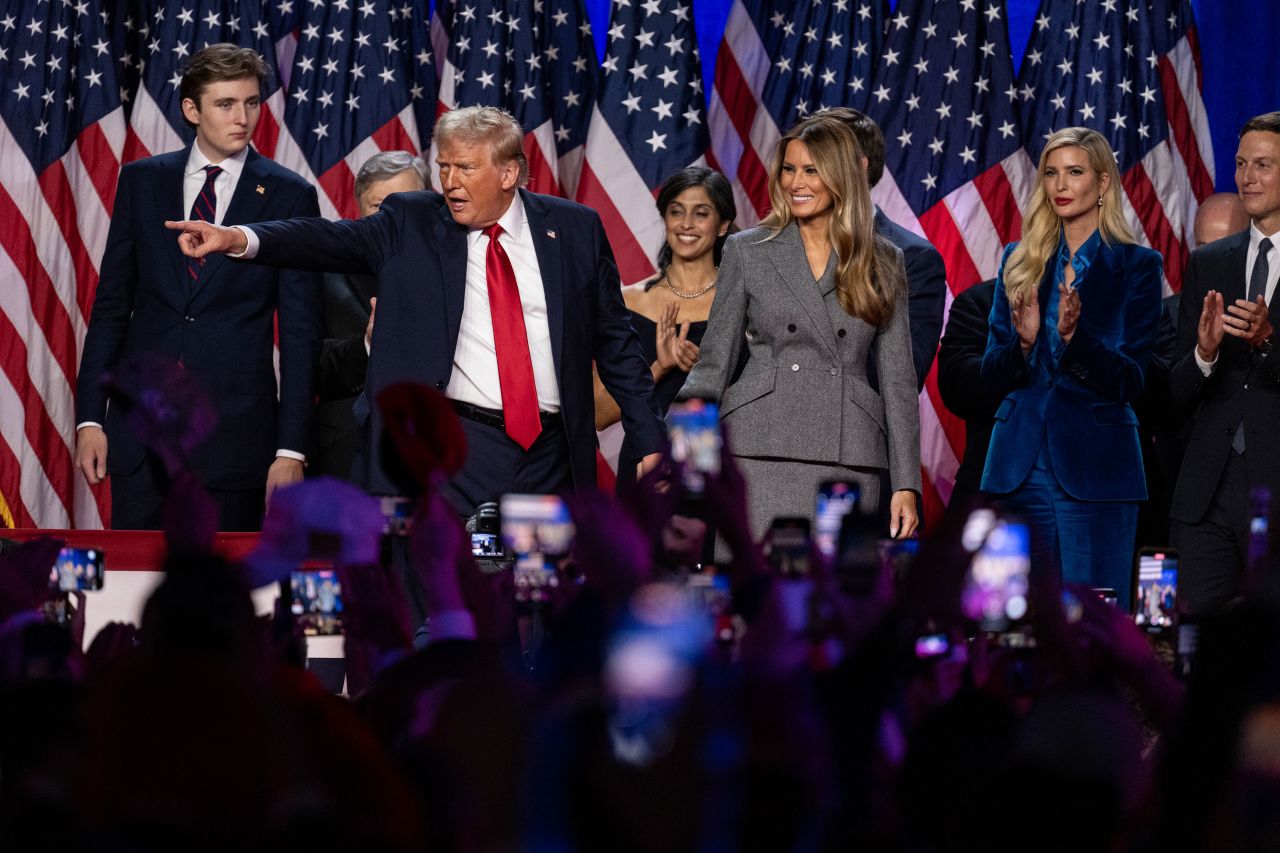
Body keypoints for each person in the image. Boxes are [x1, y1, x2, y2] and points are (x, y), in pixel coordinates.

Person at [167, 105, 664, 516]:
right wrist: (237, 238)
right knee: (455, 602)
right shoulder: (412, 219)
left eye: (465, 168)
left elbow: (616, 345)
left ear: (509, 172)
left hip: (552, 454)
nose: (449, 182)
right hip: (458, 452)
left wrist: (648, 436)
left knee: (542, 606)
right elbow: (327, 238)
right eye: (443, 166)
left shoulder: (575, 229)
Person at [75, 44, 321, 531]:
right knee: (135, 594)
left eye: (251, 102)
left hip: (235, 445)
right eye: (226, 104)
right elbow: (110, 309)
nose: (243, 117)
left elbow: (300, 335)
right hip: (140, 439)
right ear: (192, 109)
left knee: (224, 601)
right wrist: (91, 420)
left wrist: (291, 449)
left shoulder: (290, 194)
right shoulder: (142, 182)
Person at [677, 116, 920, 541]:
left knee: (831, 601)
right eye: (789, 169)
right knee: (753, 598)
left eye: (811, 170)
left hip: (849, 451)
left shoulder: (883, 260)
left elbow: (899, 382)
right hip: (757, 445)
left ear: (841, 175)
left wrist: (906, 483)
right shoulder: (747, 250)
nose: (796, 182)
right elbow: (712, 366)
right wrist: (685, 463)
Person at [981, 127, 1163, 609]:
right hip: (1018, 466)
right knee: (1016, 623)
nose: (1061, 184)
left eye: (1075, 173)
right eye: (1051, 173)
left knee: (1092, 623)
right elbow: (989, 378)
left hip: (1098, 467)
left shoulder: (1138, 266)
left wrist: (1072, 340)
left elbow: (1132, 379)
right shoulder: (1018, 262)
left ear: (1102, 183)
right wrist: (1023, 345)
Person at [1169, 112, 1280, 616]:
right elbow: (1177, 390)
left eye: (1263, 164)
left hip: (1273, 491)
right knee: (1194, 652)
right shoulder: (1208, 262)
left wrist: (1267, 340)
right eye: (1241, 164)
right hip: (1205, 493)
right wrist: (1204, 354)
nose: (1247, 177)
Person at [594, 166, 735, 488]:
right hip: (647, 464)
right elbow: (599, 414)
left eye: (701, 213)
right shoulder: (629, 302)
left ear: (723, 224)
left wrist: (707, 371)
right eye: (676, 212)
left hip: (719, 474)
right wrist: (660, 366)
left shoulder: (740, 303)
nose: (686, 224)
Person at [1134, 192, 1251, 547]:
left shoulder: (1266, 316)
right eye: (1203, 246)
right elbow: (1157, 407)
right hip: (1180, 495)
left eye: (1225, 245)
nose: (1214, 259)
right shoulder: (1161, 316)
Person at [309, 152, 430, 481]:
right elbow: (305, 365)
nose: (391, 219)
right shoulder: (325, 272)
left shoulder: (454, 271)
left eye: (405, 205)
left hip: (429, 456)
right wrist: (365, 345)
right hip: (347, 458)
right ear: (359, 207)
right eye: (379, 207)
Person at [818, 107, 948, 391]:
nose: (804, 174)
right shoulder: (772, 249)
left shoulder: (915, 259)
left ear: (859, 166)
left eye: (821, 159)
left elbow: (903, 377)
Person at [936, 279, 1000, 504]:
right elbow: (955, 389)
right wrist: (1019, 351)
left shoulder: (1108, 300)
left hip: (1095, 488)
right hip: (991, 484)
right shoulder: (983, 301)